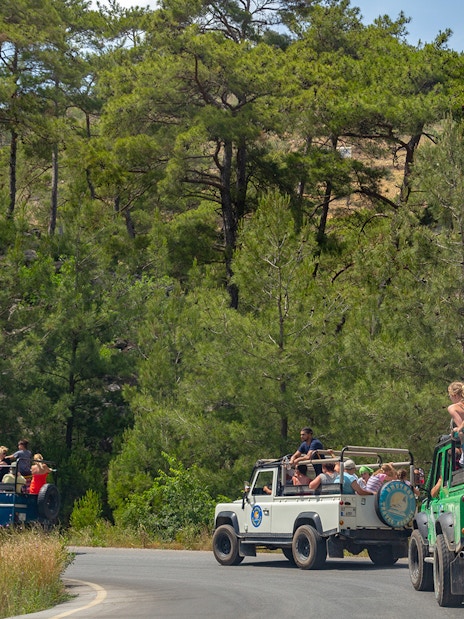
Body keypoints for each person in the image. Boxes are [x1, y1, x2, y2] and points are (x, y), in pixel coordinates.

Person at [448, 382, 464, 466]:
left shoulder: (453, 408)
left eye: (449, 395)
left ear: (454, 395)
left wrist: (456, 429)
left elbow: (461, 426)